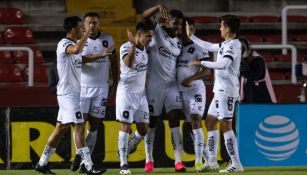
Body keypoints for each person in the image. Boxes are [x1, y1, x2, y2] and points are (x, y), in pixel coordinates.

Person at [35, 16, 104, 175]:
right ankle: (88, 166)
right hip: (67, 94)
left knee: (60, 129)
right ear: (73, 29)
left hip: (72, 94)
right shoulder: (64, 44)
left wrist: (99, 55)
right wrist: (87, 34)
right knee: (79, 126)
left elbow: (81, 57)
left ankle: (42, 163)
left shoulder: (74, 45)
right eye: (81, 27)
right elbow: (77, 51)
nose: (82, 30)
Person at [127, 4, 186, 172]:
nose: (178, 27)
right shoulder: (158, 30)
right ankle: (149, 160)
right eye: (175, 23)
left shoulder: (179, 41)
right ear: (168, 22)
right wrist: (158, 7)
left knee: (174, 119)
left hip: (171, 86)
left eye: (180, 24)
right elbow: (144, 16)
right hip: (154, 85)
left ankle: (178, 162)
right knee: (151, 124)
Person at [187, 15, 244, 172]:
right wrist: (191, 36)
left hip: (227, 91)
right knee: (210, 122)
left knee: (226, 125)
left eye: (221, 26)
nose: (220, 28)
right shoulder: (225, 44)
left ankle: (236, 164)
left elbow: (223, 64)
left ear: (228, 28)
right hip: (219, 91)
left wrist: (201, 62)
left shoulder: (233, 46)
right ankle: (212, 161)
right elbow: (208, 46)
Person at [71, 12, 118, 172]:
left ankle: (85, 163)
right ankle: (81, 156)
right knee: (80, 125)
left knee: (95, 125)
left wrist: (116, 82)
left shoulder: (108, 39)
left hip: (101, 88)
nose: (92, 26)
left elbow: (114, 62)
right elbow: (80, 60)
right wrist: (98, 55)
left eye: (95, 23)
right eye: (89, 23)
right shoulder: (78, 41)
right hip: (83, 88)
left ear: (99, 23)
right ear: (84, 25)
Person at [116, 21, 154, 174]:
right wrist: (133, 45)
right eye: (148, 36)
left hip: (141, 95)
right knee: (125, 126)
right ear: (139, 35)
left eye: (151, 36)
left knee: (144, 130)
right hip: (126, 93)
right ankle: (123, 164)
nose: (150, 39)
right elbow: (129, 63)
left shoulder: (146, 49)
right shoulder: (125, 47)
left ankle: (129, 146)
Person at [177, 17, 210, 171]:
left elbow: (207, 71)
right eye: (182, 28)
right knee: (192, 126)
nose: (184, 32)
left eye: (188, 29)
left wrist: (191, 78)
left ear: (193, 30)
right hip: (181, 91)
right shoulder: (175, 46)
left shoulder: (199, 47)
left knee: (196, 119)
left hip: (196, 88)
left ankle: (197, 162)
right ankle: (209, 160)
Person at [238, 37, 275, 103]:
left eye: (242, 48)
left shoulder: (257, 59)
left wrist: (243, 66)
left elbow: (259, 76)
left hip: (258, 94)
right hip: (246, 94)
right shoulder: (241, 60)